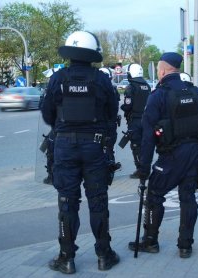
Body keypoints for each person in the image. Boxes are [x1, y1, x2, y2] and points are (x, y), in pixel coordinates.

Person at [41, 30, 119, 274]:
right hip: (94, 147)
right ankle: (104, 256)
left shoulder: (57, 79)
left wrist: (63, 127)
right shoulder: (101, 79)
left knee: (67, 202)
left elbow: (46, 114)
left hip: (64, 147)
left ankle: (66, 258)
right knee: (98, 201)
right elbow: (111, 114)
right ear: (91, 53)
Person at [127, 52, 198, 258]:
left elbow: (148, 136)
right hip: (193, 153)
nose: (157, 71)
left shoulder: (158, 95)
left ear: (163, 70)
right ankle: (185, 246)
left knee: (155, 194)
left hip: (170, 155)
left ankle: (150, 241)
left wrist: (144, 167)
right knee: (188, 198)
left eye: (158, 68)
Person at [120, 63, 151, 179]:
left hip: (135, 121)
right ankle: (146, 168)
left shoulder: (131, 87)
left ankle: (140, 170)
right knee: (146, 145)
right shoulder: (147, 86)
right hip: (146, 120)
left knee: (136, 145)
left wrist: (123, 108)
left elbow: (128, 106)